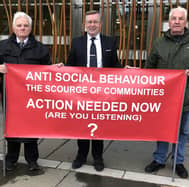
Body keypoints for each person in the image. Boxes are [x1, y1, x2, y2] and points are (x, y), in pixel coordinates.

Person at [144, 6, 189, 178]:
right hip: (163, 98)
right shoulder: (159, 42)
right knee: (163, 129)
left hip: (184, 97)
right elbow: (149, 68)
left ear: (185, 22)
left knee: (182, 131)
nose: (177, 22)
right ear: (169, 21)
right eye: (174, 19)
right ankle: (159, 159)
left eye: (181, 19)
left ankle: (178, 162)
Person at [0, 11, 51, 172]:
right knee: (12, 128)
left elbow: (48, 71)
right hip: (11, 96)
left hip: (32, 97)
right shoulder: (2, 46)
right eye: (19, 25)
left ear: (30, 28)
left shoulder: (41, 49)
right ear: (13, 27)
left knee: (32, 128)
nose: (23, 28)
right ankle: (11, 159)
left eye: (26, 25)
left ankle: (32, 160)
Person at [66, 10, 120, 172]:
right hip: (82, 93)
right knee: (82, 125)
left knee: (99, 125)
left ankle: (98, 157)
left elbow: (115, 66)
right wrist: (61, 69)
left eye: (95, 22)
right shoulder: (77, 42)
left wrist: (127, 70)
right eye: (89, 22)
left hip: (102, 93)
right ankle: (81, 156)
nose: (92, 25)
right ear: (84, 25)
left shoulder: (110, 42)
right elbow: (71, 66)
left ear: (100, 24)